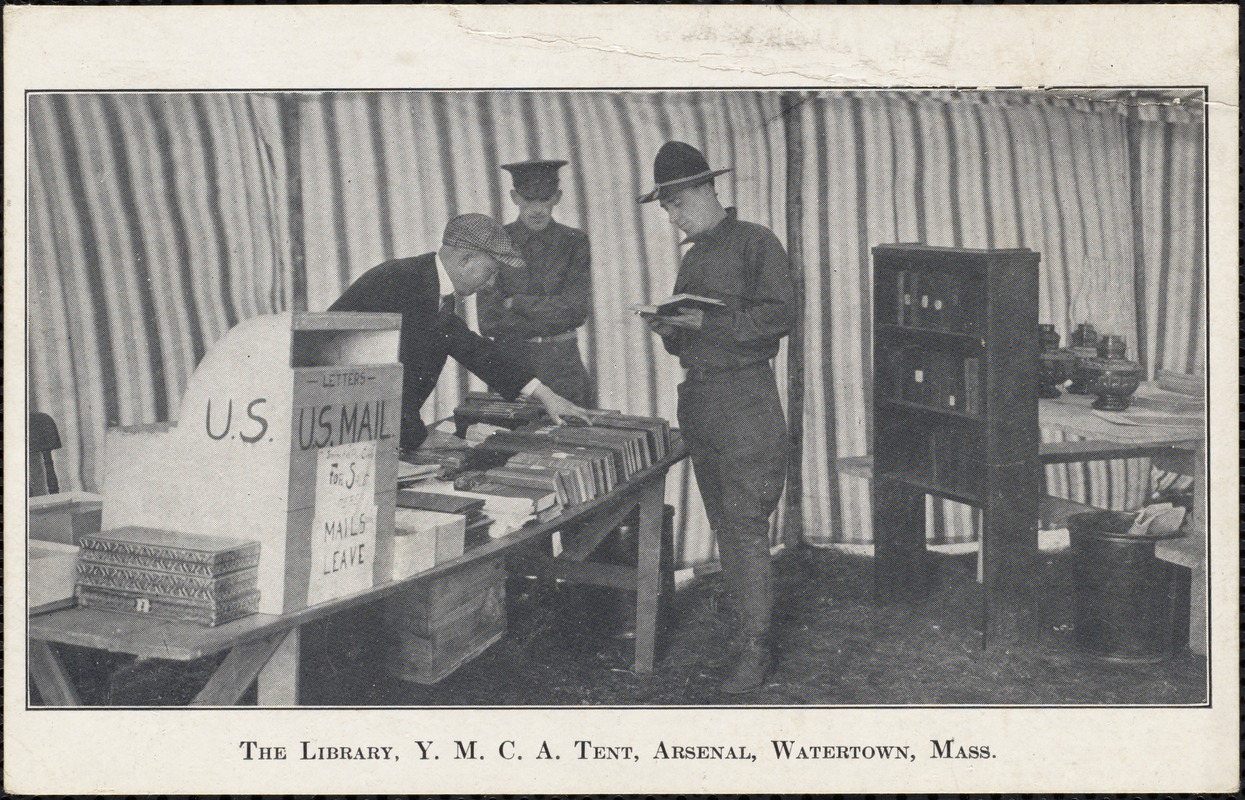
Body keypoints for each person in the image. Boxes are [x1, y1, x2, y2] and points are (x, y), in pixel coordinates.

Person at [638, 141, 795, 694]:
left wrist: (710, 327)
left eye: (678, 203)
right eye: (668, 209)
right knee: (727, 524)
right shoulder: (693, 257)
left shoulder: (757, 242)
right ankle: (743, 632)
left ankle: (755, 651)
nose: (674, 216)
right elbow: (688, 343)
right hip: (701, 402)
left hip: (746, 402)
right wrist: (671, 332)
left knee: (746, 526)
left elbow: (781, 315)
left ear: (707, 190)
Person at [329, 213, 594, 454]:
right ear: (466, 260)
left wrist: (544, 394)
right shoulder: (405, 282)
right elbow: (389, 377)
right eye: (490, 272)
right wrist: (416, 438)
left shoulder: (429, 284)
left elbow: (472, 348)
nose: (491, 283)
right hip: (337, 422)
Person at [477, 159, 594, 407]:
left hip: (563, 367)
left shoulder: (574, 242)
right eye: (529, 200)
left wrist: (516, 303)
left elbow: (577, 310)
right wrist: (551, 313)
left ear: (557, 197)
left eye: (544, 199)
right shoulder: (495, 243)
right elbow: (489, 321)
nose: (537, 209)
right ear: (514, 197)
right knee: (508, 440)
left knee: (575, 441)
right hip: (512, 366)